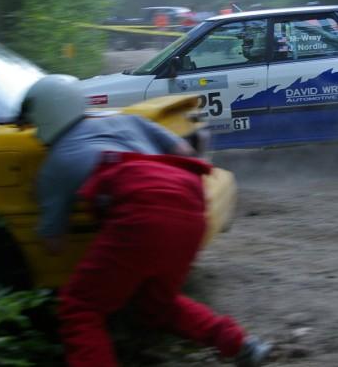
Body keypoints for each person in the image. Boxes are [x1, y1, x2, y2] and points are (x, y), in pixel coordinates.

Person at [18, 75, 272, 367]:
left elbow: (53, 245)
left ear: (45, 115)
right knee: (156, 306)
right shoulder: (126, 120)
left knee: (80, 307)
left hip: (142, 216)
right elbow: (184, 151)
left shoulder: (55, 165)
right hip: (190, 205)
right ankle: (242, 345)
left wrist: (44, 200)